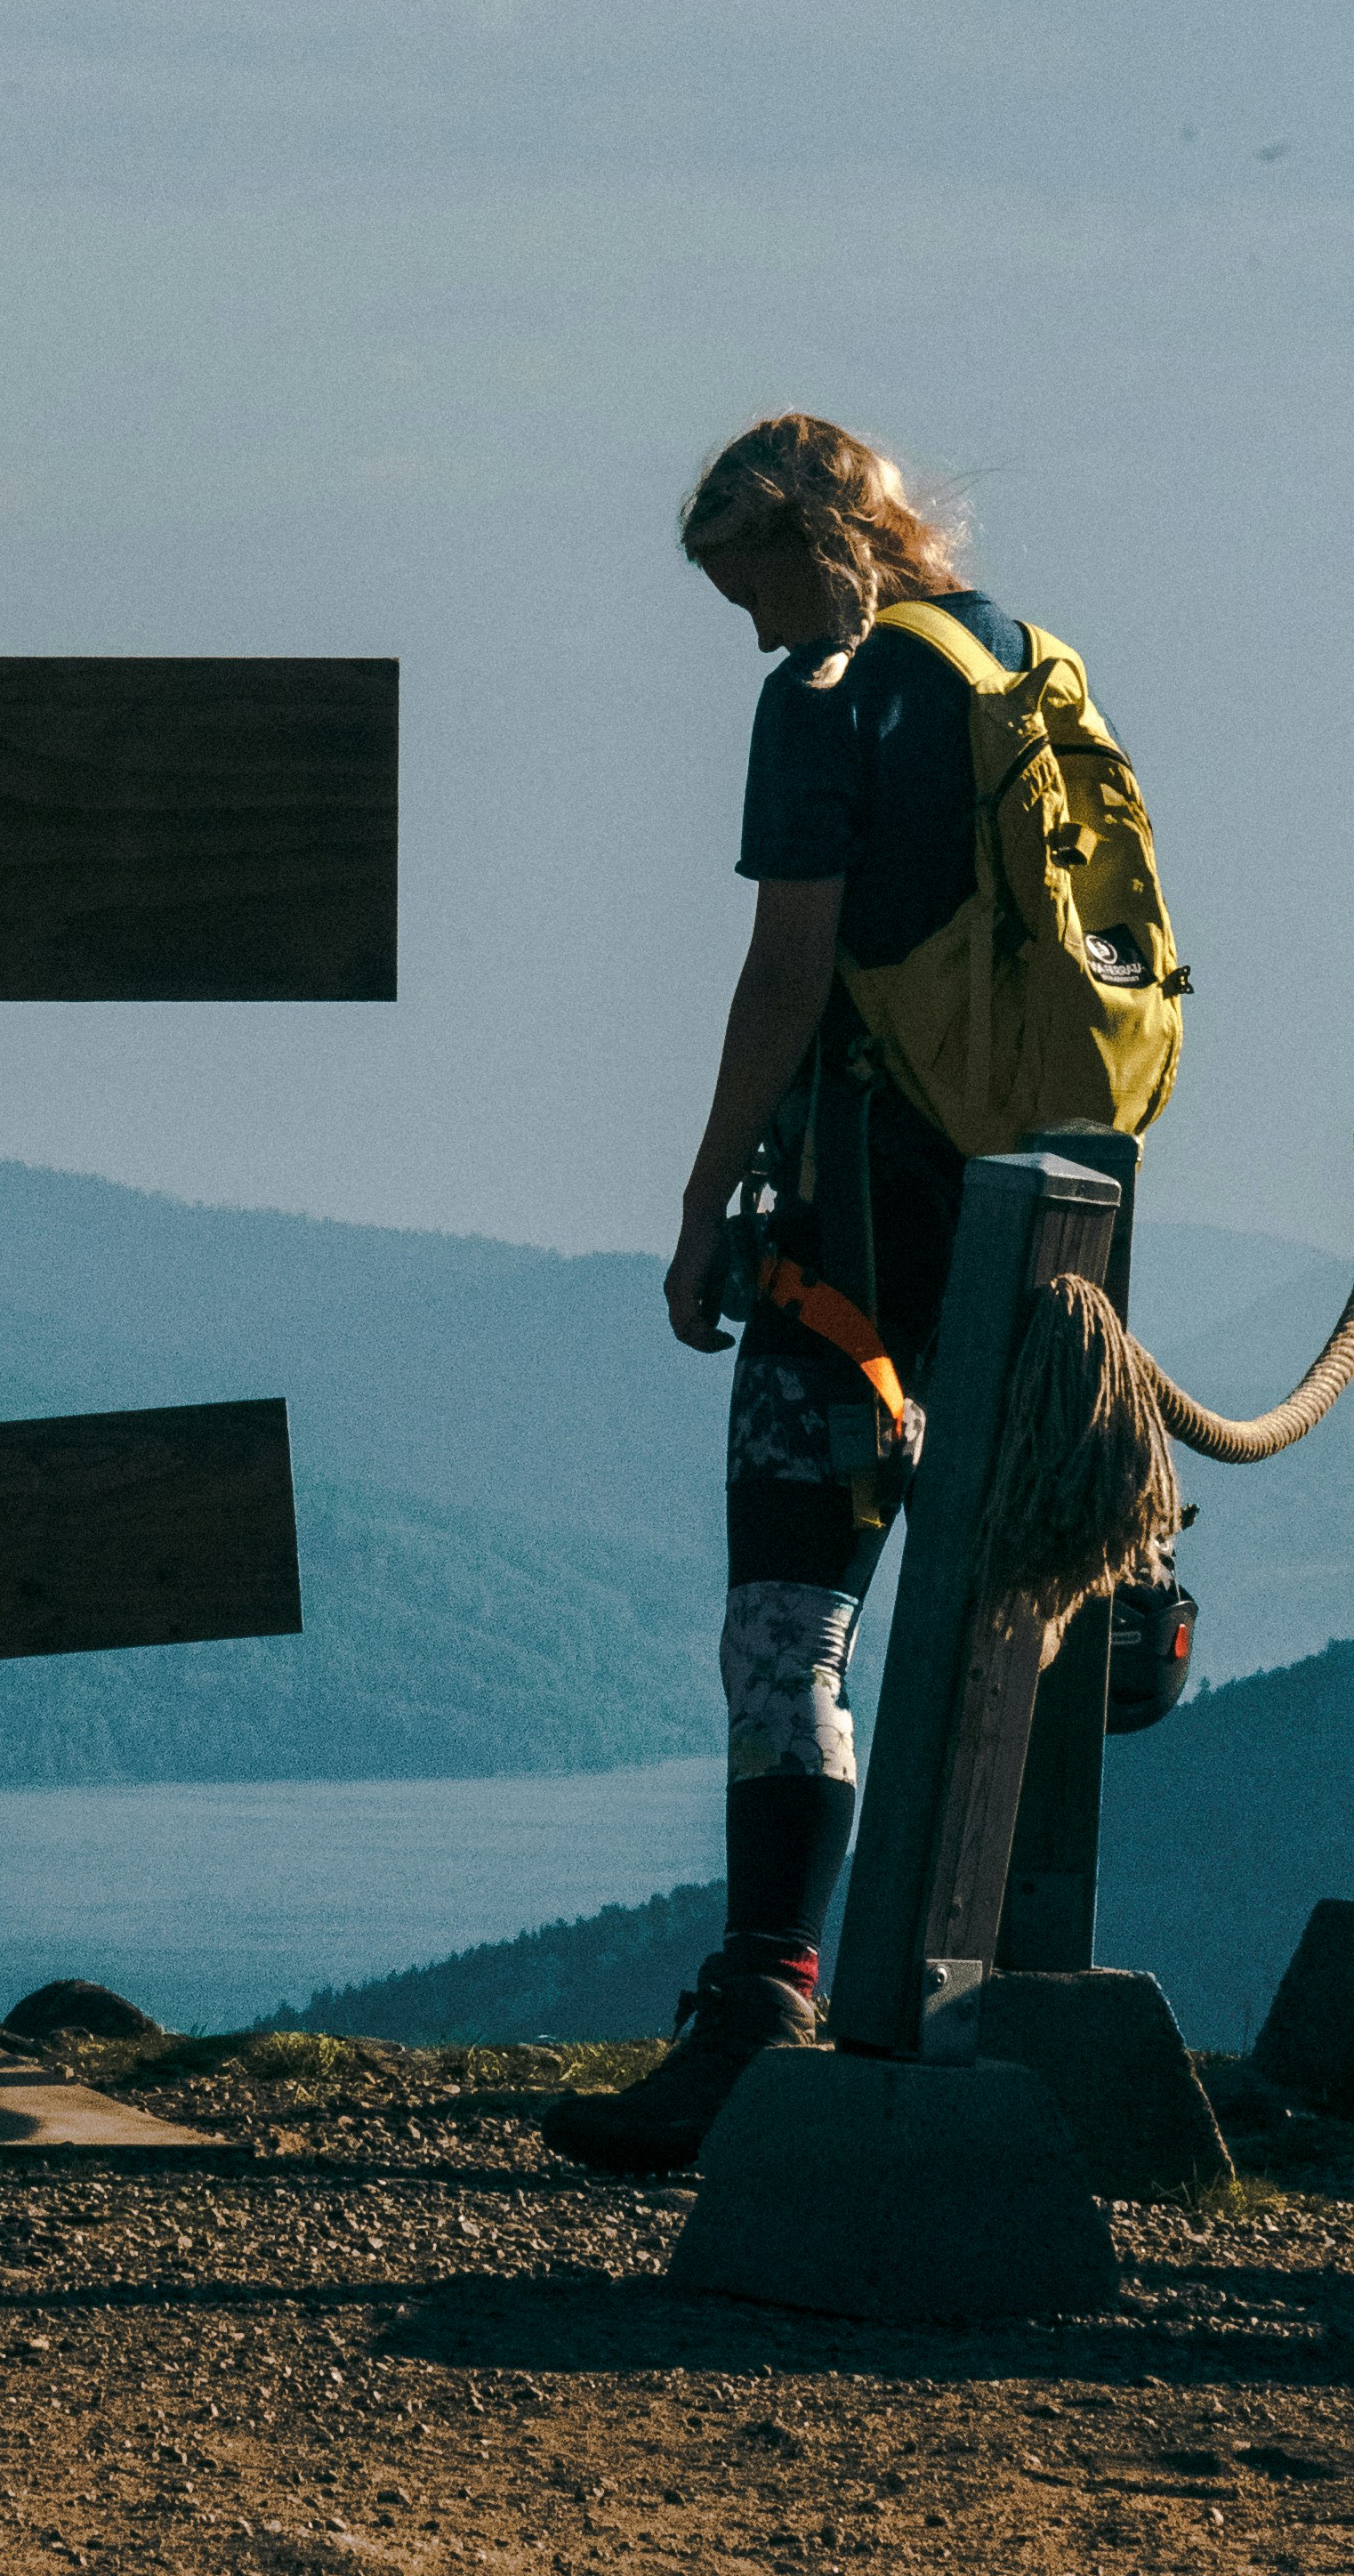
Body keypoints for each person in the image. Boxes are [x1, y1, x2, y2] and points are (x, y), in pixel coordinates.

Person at [543, 412, 1028, 2175]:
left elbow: (785, 969)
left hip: (856, 1236)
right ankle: (991, 2001)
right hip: (1038, 1216)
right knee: (1002, 1610)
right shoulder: (1016, 663)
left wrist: (698, 1206)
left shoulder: (826, 693)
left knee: (785, 1625)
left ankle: (763, 2003)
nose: (747, 631)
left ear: (800, 546)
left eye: (746, 586)